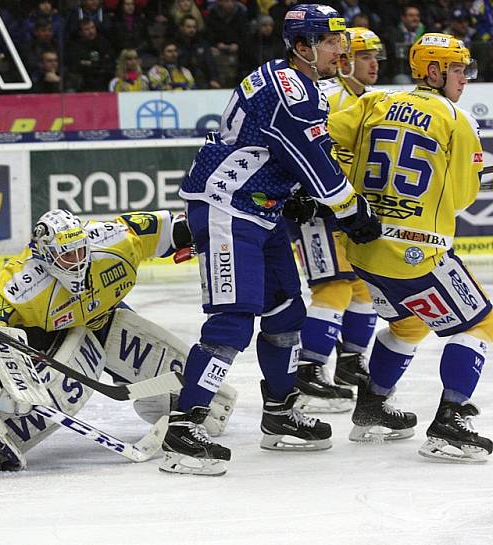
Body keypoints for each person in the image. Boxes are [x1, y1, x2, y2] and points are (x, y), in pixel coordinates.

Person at [163, 4, 382, 476]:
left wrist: (300, 195)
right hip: (227, 207)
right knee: (234, 322)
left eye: (340, 42)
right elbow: (315, 161)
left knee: (287, 312)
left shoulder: (296, 81)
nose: (340, 51)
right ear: (302, 47)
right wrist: (350, 210)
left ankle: (280, 414)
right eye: (330, 42)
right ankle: (184, 427)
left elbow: (284, 154)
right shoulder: (293, 92)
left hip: (261, 207)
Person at [0, 210, 238, 471]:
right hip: (52, 336)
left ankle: (182, 411)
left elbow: (173, 228)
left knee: (212, 406)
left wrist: (212, 234)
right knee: (28, 401)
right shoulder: (23, 284)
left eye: (80, 251)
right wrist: (4, 369)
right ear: (45, 256)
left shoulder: (115, 240)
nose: (77, 262)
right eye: (66, 256)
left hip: (106, 317)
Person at [327, 33, 493, 462]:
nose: (463, 79)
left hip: (364, 251)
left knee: (409, 325)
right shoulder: (455, 118)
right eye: (457, 70)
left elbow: (329, 140)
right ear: (434, 71)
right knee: (481, 324)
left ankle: (372, 406)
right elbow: (460, 197)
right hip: (417, 254)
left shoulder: (373, 103)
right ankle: (450, 422)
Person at [283, 27, 386, 413]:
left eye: (376, 57)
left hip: (346, 209)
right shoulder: (329, 98)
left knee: (362, 287)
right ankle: (308, 372)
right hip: (317, 209)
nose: (373, 64)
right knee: (334, 287)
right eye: (364, 57)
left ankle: (348, 363)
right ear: (343, 62)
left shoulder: (371, 99)